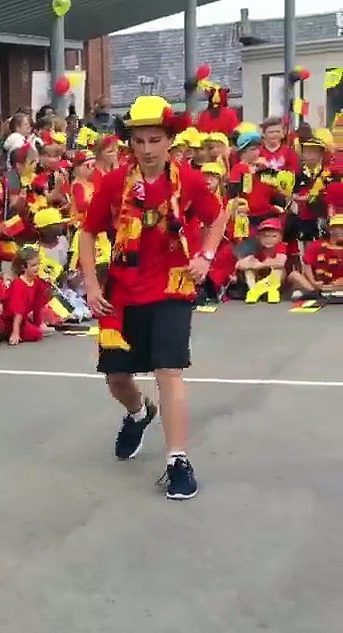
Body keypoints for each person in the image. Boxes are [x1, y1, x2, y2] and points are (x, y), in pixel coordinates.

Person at [79, 95, 223, 501]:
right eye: (139, 141)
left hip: (173, 287)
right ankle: (139, 414)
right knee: (117, 378)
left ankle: (177, 459)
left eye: (154, 140)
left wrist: (205, 256)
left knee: (169, 371)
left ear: (168, 140)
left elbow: (218, 216)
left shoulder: (189, 180)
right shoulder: (112, 183)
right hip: (122, 291)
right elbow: (88, 232)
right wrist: (91, 284)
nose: (146, 149)